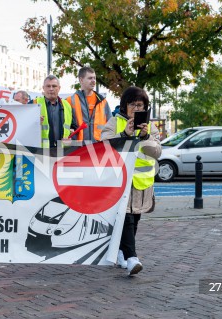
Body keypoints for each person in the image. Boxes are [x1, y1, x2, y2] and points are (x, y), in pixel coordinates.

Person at [101, 86, 162, 276]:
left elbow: (157, 152)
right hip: (120, 181)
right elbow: (104, 146)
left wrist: (145, 137)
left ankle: (121, 252)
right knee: (125, 218)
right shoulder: (114, 123)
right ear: (125, 106)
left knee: (134, 219)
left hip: (142, 182)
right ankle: (132, 258)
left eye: (140, 105)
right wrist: (125, 135)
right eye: (133, 104)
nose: (136, 108)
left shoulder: (150, 127)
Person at [66, 66, 111, 143]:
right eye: (90, 78)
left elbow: (111, 125)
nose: (93, 81)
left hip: (99, 146)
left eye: (94, 78)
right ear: (81, 80)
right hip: (78, 147)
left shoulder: (103, 102)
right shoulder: (69, 101)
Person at [34, 75, 77, 148]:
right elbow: (25, 128)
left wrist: (71, 138)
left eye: (54, 86)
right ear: (43, 88)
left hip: (62, 150)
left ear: (59, 88)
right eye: (48, 86)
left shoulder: (67, 105)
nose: (51, 89)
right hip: (41, 152)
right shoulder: (34, 104)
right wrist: (35, 123)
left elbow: (73, 127)